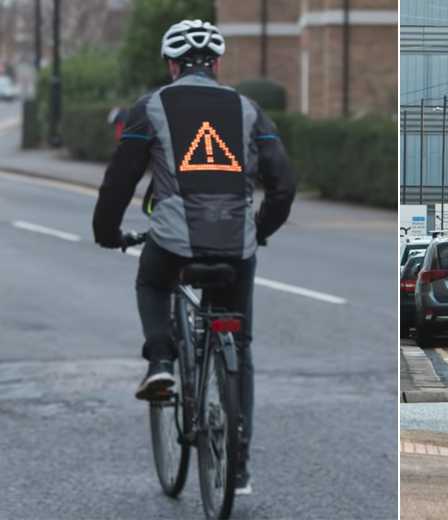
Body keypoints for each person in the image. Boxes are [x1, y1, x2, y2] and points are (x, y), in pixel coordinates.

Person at [91, 19, 296, 494]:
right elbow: (284, 185)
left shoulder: (152, 107)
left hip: (174, 242)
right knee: (238, 346)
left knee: (152, 282)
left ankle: (161, 362)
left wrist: (106, 234)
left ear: (171, 65)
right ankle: (238, 466)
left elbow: (119, 181)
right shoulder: (248, 110)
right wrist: (258, 231)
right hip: (237, 244)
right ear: (218, 64)